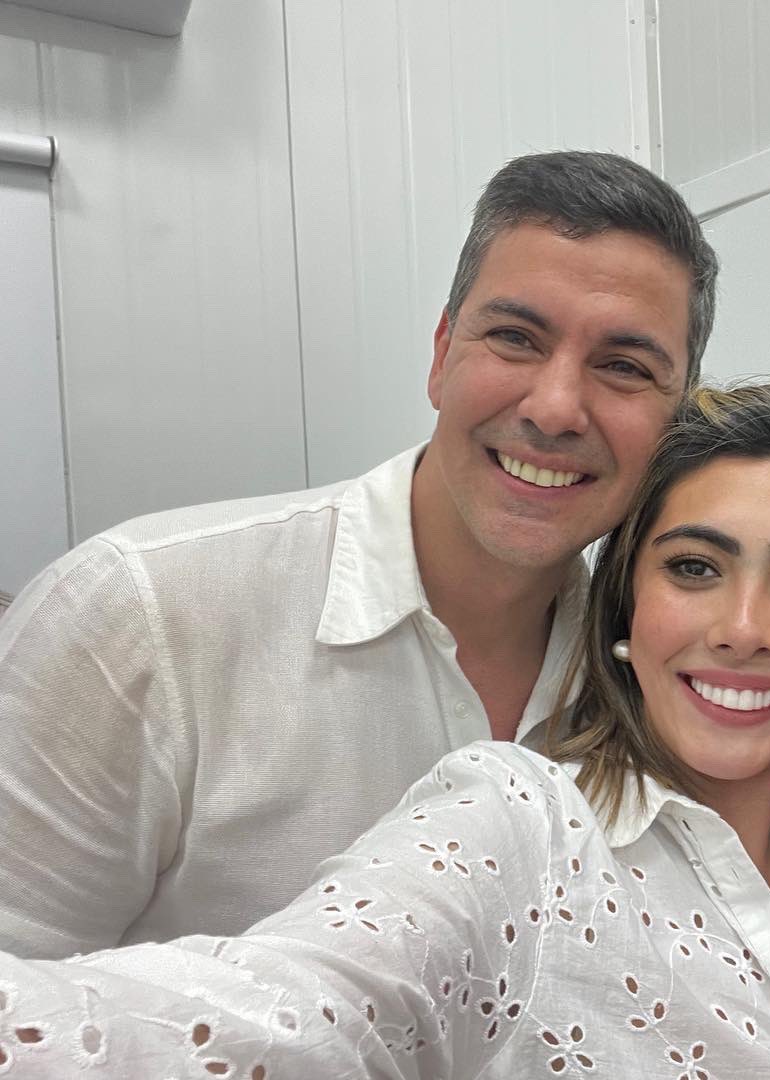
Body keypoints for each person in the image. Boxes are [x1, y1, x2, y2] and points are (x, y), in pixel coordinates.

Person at [0, 385, 770, 1080]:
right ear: (626, 611)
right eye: (694, 567)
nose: (744, 627)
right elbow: (281, 1016)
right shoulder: (520, 827)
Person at [0, 151, 719, 958]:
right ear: (442, 354)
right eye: (515, 338)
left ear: (679, 419)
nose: (555, 409)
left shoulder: (660, 675)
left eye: (623, 367)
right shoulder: (138, 616)